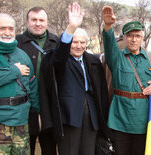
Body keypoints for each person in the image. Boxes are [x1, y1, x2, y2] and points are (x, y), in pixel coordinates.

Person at [40, 3, 112, 154]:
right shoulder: (59, 59)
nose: (78, 46)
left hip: (92, 118)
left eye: (82, 42)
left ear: (86, 44)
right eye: (74, 41)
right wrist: (71, 28)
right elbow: (59, 55)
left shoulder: (93, 61)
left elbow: (101, 91)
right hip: (69, 117)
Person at [102, 6, 151, 155]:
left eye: (137, 35)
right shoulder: (117, 57)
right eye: (129, 35)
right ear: (124, 37)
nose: (133, 39)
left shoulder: (150, 59)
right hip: (120, 118)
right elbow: (109, 44)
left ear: (142, 38)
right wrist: (107, 27)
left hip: (143, 119)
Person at [0, 13, 39, 154]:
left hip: (21, 122)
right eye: (2, 28)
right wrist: (14, 70)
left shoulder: (22, 55)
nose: (7, 32)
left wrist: (37, 113)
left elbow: (32, 86)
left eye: (11, 29)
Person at [16, 6, 58, 155]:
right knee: (26, 149)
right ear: (27, 22)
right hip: (25, 107)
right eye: (34, 20)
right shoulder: (16, 43)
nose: (38, 23)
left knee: (49, 149)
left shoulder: (56, 42)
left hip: (50, 106)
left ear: (47, 22)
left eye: (41, 20)